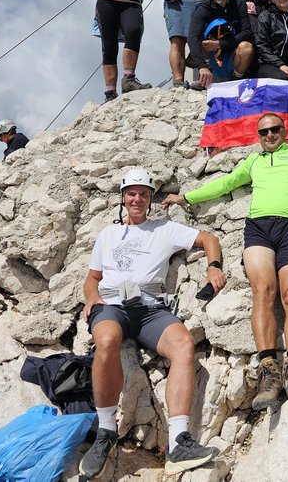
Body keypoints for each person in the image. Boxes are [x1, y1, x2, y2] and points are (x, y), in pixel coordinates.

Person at [181, 114, 288, 410]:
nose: (269, 135)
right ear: (258, 135)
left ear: (285, 130)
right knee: (263, 293)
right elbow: (227, 183)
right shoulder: (254, 162)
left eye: (274, 129)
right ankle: (269, 371)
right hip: (258, 228)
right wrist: (187, 198)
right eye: (264, 131)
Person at [80, 169, 225, 477]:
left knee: (184, 344)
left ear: (150, 199)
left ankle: (179, 442)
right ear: (123, 197)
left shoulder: (165, 229)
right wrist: (91, 298)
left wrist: (213, 268)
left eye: (143, 194)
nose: (137, 199)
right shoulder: (107, 234)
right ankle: (106, 430)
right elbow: (92, 278)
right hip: (113, 305)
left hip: (149, 308)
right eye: (131, 193)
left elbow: (208, 238)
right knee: (106, 341)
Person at [188, 0, 255, 88]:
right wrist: (201, 66)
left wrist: (220, 43)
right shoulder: (204, 6)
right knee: (201, 39)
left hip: (231, 50)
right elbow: (193, 36)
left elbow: (247, 33)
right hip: (211, 52)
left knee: (246, 47)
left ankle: (235, 79)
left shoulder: (239, 4)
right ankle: (206, 77)